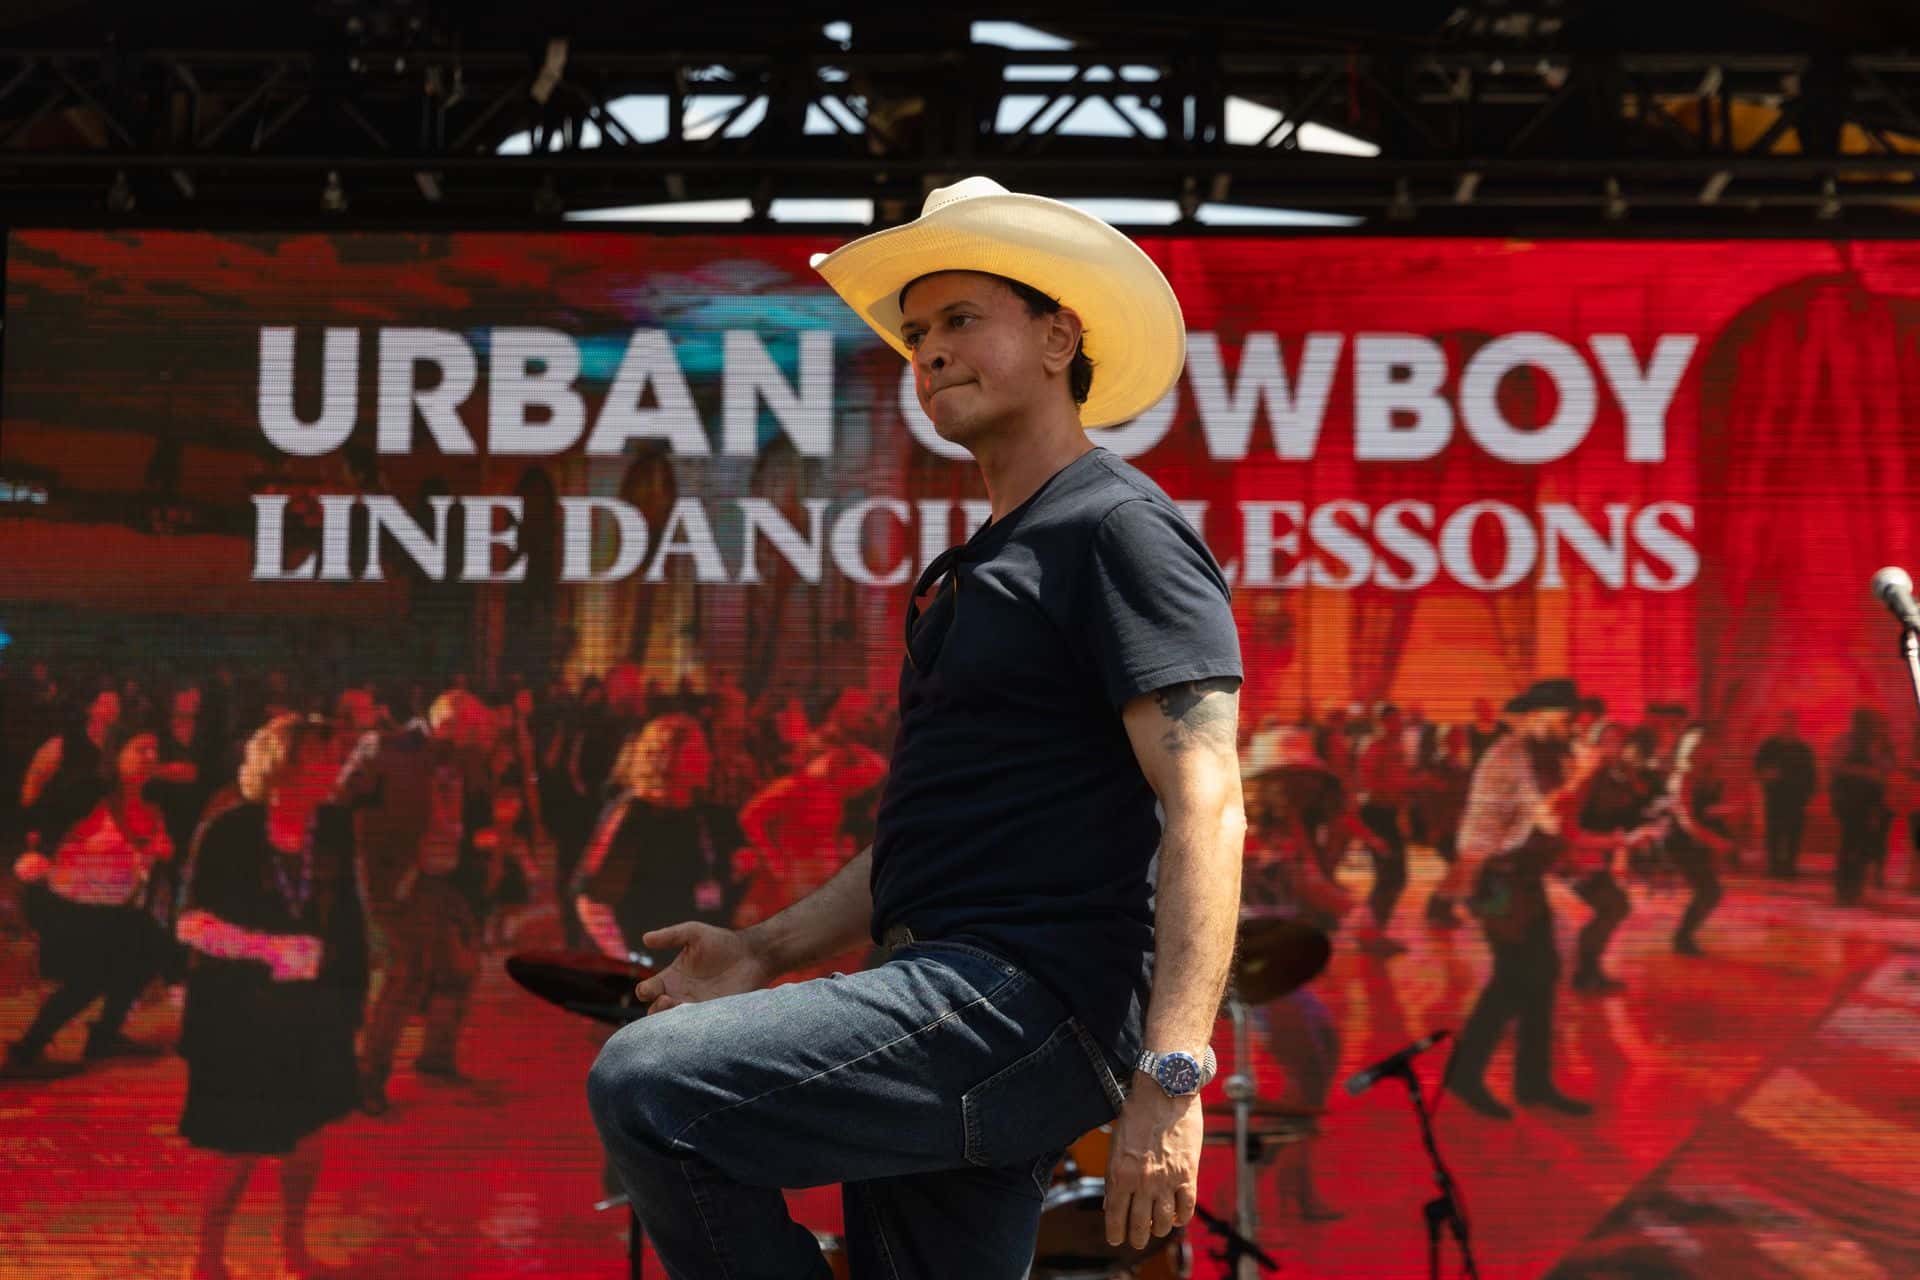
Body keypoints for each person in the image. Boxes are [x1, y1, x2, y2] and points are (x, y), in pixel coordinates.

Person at [587, 176, 1245, 1279]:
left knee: (648, 1083)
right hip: (950, 987)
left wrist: (1172, 1073)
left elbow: (1207, 803)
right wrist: (762, 949)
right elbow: (932, 843)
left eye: (959, 318)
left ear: (1057, 335)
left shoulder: (1116, 527)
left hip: (1020, 1002)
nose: (927, 351)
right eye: (915, 332)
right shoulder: (984, 563)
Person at [175, 714, 368, 1280]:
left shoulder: (333, 825)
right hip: (240, 1012)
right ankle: (207, 1255)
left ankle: (292, 1247)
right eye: (322, 759)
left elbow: (349, 916)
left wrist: (352, 995)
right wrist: (267, 948)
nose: (334, 770)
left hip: (314, 1011)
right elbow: (188, 923)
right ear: (282, 765)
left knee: (308, 1135)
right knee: (239, 1145)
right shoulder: (228, 828)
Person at [336, 689, 493, 1112]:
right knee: (400, 977)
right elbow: (342, 801)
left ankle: (436, 1057)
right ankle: (367, 1080)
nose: (484, 738)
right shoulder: (388, 748)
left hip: (443, 878)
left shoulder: (460, 760)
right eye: (478, 730)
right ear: (454, 725)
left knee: (458, 964)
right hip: (397, 882)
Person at [1444, 679, 1594, 1120]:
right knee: (1513, 979)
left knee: (1541, 976)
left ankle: (1532, 1083)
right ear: (1536, 717)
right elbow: (1546, 816)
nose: (1573, 728)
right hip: (1492, 878)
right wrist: (1584, 774)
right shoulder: (1508, 757)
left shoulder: (1539, 755)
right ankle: (1467, 1075)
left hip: (1519, 878)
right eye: (1566, 720)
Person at [6, 722, 175, 1076]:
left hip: (113, 910)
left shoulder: (155, 806)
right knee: (92, 976)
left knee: (151, 945)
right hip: (66, 907)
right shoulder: (86, 793)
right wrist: (31, 855)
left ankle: (104, 1035)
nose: (150, 758)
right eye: (140, 749)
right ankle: (28, 1047)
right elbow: (35, 822)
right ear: (116, 756)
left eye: (154, 750)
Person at [573, 714, 750, 962]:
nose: (708, 758)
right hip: (651, 966)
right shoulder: (634, 817)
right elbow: (593, 902)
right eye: (696, 750)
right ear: (667, 757)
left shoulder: (703, 813)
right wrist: (628, 963)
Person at [1665, 726, 1732, 955]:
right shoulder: (1682, 776)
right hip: (1678, 840)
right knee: (1709, 890)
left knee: (1709, 890)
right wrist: (1715, 841)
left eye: (1709, 747)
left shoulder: (1707, 774)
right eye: (1701, 747)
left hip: (1694, 839)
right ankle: (1682, 938)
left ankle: (1683, 937)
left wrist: (1724, 811)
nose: (1707, 751)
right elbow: (1686, 820)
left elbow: (1703, 810)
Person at [1354, 705, 1414, 955]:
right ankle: (1370, 934)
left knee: (1395, 877)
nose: (1398, 726)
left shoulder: (1396, 746)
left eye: (1399, 721)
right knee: (1390, 876)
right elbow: (1368, 782)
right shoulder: (1376, 747)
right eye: (1393, 722)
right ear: (1383, 723)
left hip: (1389, 815)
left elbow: (1397, 782)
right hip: (1376, 816)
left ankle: (1373, 933)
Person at [1829, 707, 1893, 907]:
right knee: (1852, 845)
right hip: (1850, 801)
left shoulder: (1877, 744)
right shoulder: (1848, 742)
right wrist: (1865, 772)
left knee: (1860, 846)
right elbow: (1836, 766)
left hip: (1868, 803)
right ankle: (1846, 890)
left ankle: (1851, 889)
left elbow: (1886, 769)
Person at [1753, 710, 1816, 879]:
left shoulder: (1802, 749)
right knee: (1774, 831)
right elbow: (1758, 767)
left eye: (1790, 723)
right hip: (1774, 796)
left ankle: (1789, 866)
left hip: (1796, 798)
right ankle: (1773, 866)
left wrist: (1807, 796)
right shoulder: (1769, 746)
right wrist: (1766, 775)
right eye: (1784, 723)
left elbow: (1811, 774)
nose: (1787, 727)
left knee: (1794, 833)